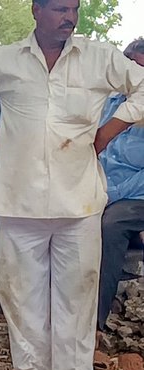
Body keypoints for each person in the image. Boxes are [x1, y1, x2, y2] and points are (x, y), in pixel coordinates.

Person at [0, 0, 144, 370]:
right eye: (58, 9)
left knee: (77, 291)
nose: (68, 17)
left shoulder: (99, 57)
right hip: (19, 195)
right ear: (36, 10)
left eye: (73, 9)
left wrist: (108, 130)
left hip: (80, 195)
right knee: (21, 289)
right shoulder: (5, 60)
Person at [98, 38, 144, 331]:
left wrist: (107, 195)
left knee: (109, 224)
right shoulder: (108, 103)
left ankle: (92, 326)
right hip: (101, 188)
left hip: (136, 196)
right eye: (131, 66)